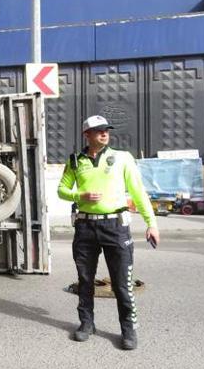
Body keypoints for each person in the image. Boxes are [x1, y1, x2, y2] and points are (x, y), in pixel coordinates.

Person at [58, 115, 160, 350]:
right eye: (98, 130)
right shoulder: (75, 161)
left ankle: (128, 330)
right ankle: (86, 324)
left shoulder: (122, 158)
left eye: (106, 130)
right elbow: (62, 190)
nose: (104, 133)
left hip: (116, 226)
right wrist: (78, 196)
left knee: (121, 283)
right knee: (85, 281)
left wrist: (151, 223)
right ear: (87, 135)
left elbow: (138, 192)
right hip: (85, 227)